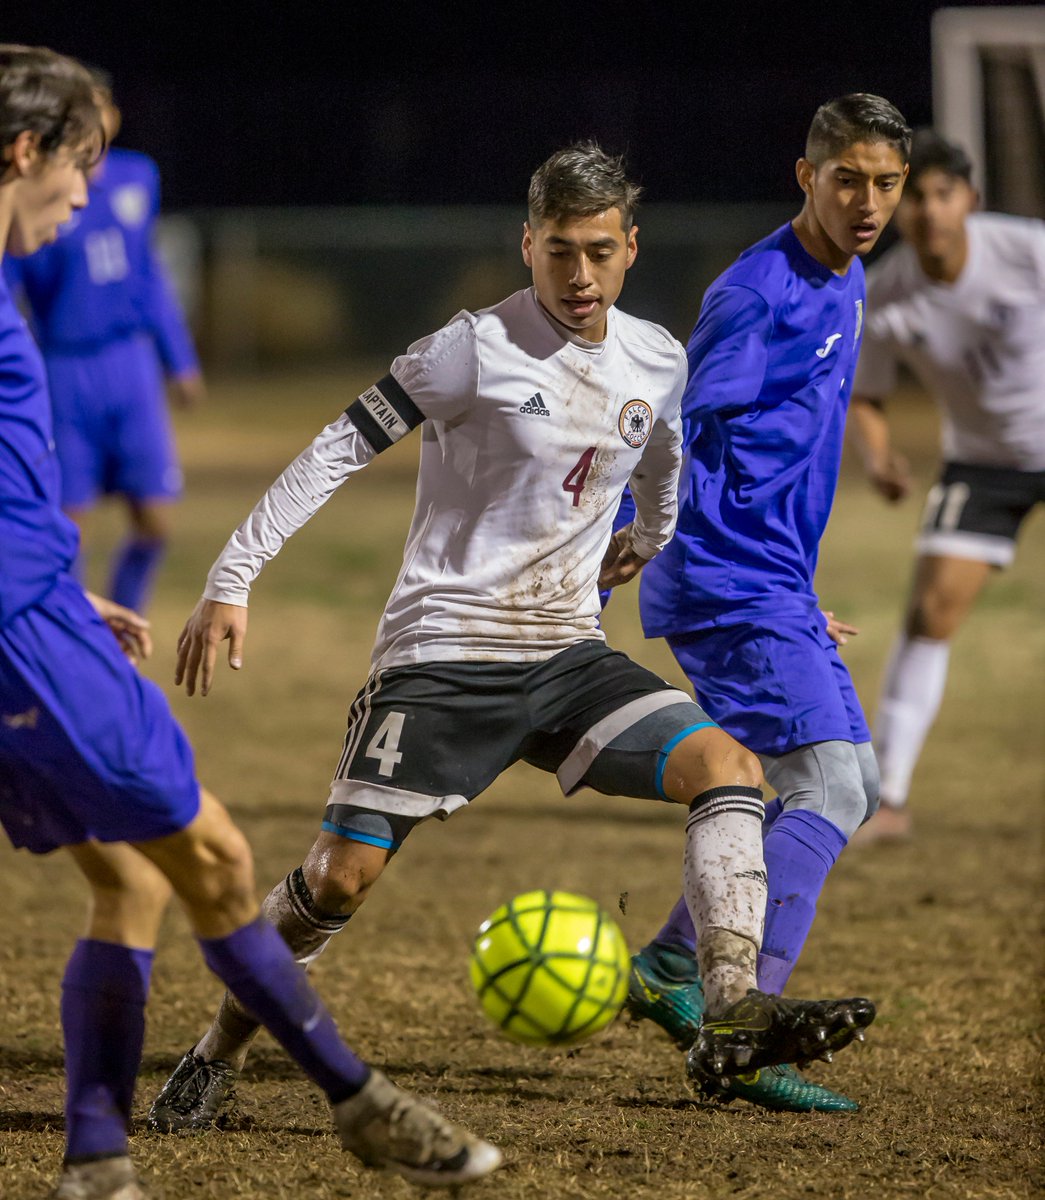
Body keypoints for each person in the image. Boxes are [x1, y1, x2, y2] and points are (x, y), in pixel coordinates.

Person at [147, 140, 874, 1133]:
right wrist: (230, 580)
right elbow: (335, 448)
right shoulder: (471, 349)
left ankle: (730, 1010)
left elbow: (661, 467)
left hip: (567, 659)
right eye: (559, 252)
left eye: (599, 252)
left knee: (729, 769)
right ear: (527, 245)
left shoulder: (656, 357)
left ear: (629, 247)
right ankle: (214, 1054)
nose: (579, 275)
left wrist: (644, 541)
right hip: (442, 658)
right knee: (334, 881)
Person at [0, 44, 501, 1200]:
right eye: (77, 165)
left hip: (40, 614)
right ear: (23, 152)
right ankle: (359, 1103)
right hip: (27, 644)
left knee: (128, 884)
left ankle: (97, 1163)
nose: (86, 195)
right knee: (220, 861)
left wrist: (66, 582)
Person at [619, 94, 910, 1113]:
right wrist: (630, 532)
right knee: (832, 788)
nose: (867, 202)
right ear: (806, 176)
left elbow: (771, 454)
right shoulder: (759, 293)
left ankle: (667, 966)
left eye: (885, 183)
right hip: (722, 580)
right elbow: (671, 428)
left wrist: (795, 591)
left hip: (766, 582)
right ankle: (743, 1027)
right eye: (847, 180)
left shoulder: (848, 275)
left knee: (815, 785)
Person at [847, 129, 1045, 843]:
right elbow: (864, 397)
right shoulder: (885, 291)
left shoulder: (1026, 251)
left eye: (941, 194)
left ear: (970, 200)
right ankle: (888, 796)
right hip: (982, 465)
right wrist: (876, 458)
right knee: (929, 614)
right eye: (914, 197)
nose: (928, 210)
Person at [3, 66, 203, 614]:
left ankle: (123, 616)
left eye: (102, 104)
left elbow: (149, 275)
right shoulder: (38, 192)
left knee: (156, 518)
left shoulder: (139, 176)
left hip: (130, 363)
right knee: (70, 527)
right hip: (64, 368)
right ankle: (75, 624)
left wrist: (178, 358)